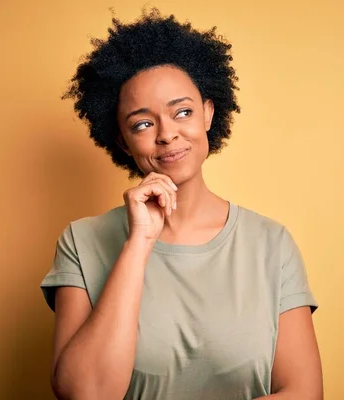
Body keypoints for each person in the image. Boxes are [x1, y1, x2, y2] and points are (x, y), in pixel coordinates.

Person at [40, 9, 323, 400]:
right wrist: (139, 242)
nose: (167, 134)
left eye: (183, 112)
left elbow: (303, 392)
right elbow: (85, 393)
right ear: (123, 141)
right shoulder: (81, 242)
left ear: (208, 113)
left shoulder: (271, 245)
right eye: (143, 123)